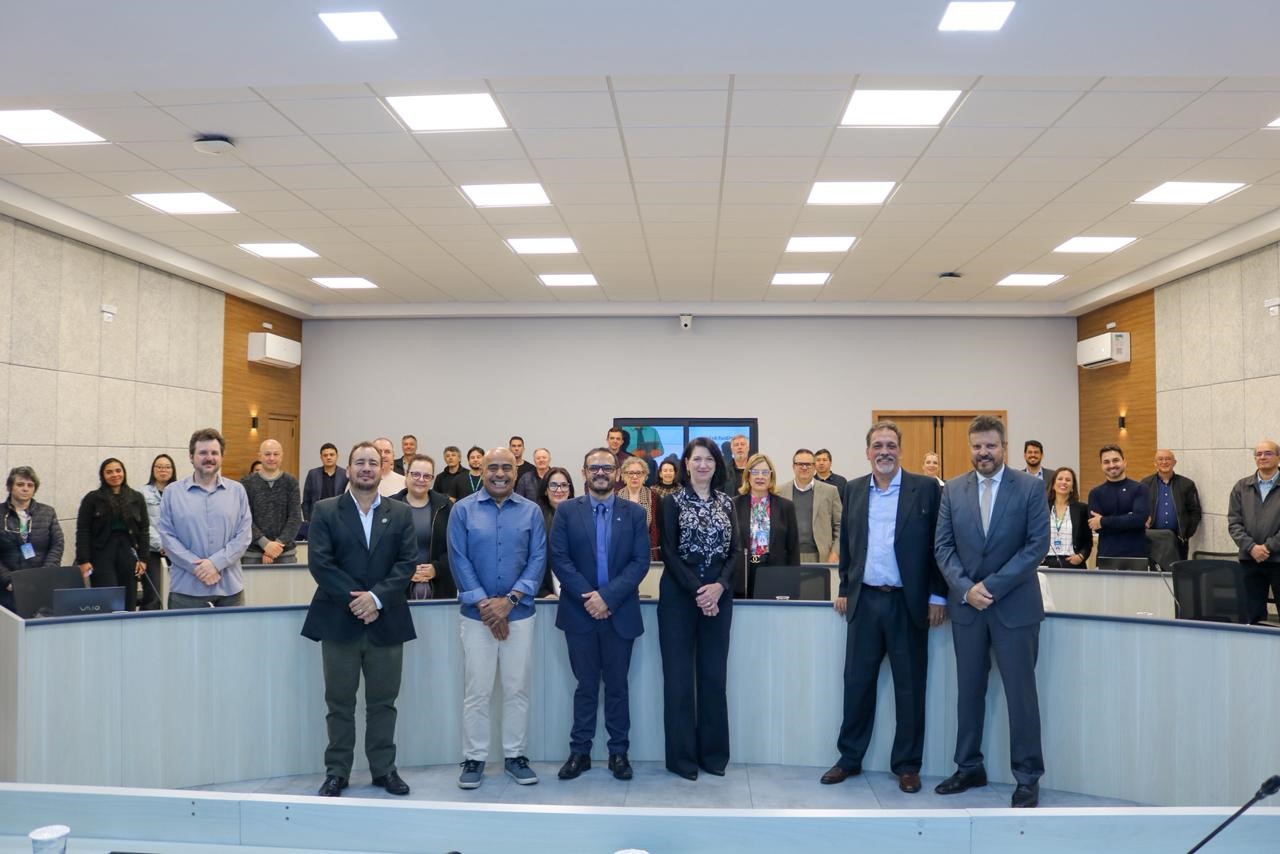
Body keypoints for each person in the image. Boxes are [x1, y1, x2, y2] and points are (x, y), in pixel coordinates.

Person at [822, 421, 945, 794]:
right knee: (857, 683)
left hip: (908, 603)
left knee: (910, 688)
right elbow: (848, 543)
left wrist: (938, 596)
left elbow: (939, 545)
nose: (884, 452)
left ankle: (907, 765)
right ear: (867, 452)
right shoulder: (855, 489)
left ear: (901, 451)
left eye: (891, 445)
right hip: (865, 601)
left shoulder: (926, 489)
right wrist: (845, 587)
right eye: (878, 445)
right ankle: (849, 758)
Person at [933, 415, 1049, 808]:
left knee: (1021, 696)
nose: (984, 452)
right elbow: (943, 547)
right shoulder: (953, 490)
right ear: (970, 448)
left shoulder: (1030, 488)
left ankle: (1028, 776)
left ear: (1004, 447)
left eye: (991, 446)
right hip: (968, 610)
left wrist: (991, 587)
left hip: (1014, 608)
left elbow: (1036, 547)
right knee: (968, 693)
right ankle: (969, 767)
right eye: (978, 446)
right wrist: (966, 590)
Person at [301, 441, 418, 798]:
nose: (366, 468)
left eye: (372, 462)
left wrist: (376, 598)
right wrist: (358, 601)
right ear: (349, 469)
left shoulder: (400, 513)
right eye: (360, 462)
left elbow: (406, 563)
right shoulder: (325, 510)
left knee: (383, 702)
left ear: (382, 469)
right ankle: (337, 771)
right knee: (339, 703)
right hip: (340, 620)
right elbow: (320, 563)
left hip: (387, 619)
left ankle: (384, 770)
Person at [448, 448, 547, 789]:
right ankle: (475, 758)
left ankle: (515, 755)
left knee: (517, 688)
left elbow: (538, 558)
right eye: (493, 467)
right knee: (477, 690)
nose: (500, 473)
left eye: (507, 467)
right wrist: (486, 606)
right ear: (482, 470)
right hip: (476, 617)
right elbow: (458, 559)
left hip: (519, 615)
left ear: (516, 472)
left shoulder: (532, 511)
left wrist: (510, 601)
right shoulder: (462, 510)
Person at [549, 448, 650, 782]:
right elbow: (560, 559)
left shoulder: (635, 514)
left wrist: (607, 598)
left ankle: (618, 753)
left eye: (607, 467)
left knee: (618, 687)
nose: (601, 472)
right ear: (584, 472)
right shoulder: (567, 511)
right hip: (580, 614)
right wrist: (590, 599)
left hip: (620, 614)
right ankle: (580, 752)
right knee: (586, 686)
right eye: (595, 468)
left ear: (617, 472)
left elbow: (640, 562)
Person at [657, 438, 741, 781]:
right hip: (679, 598)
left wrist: (718, 587)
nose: (703, 464)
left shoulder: (727, 502)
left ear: (716, 464)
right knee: (678, 681)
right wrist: (698, 591)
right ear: (687, 464)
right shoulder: (671, 501)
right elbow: (668, 551)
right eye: (697, 459)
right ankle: (682, 759)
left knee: (713, 678)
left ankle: (713, 755)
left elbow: (736, 552)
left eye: (709, 459)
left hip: (719, 597)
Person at [158, 428, 254, 609]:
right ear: (191, 456)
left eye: (214, 453)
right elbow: (167, 537)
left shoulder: (237, 491)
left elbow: (244, 536)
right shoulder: (172, 492)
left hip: (230, 591)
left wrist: (215, 564)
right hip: (186, 591)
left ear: (221, 457)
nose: (209, 458)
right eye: (203, 453)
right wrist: (198, 568)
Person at [75, 458, 149, 611]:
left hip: (128, 552)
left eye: (118, 471)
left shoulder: (136, 497)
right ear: (103, 475)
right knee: (106, 598)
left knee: (129, 598)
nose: (115, 475)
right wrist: (83, 560)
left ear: (124, 473)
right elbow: (83, 530)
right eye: (109, 472)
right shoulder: (92, 499)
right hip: (101, 553)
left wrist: (143, 558)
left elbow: (144, 530)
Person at [1227, 440, 1280, 624]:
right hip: (1249, 560)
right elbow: (1234, 522)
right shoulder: (1241, 487)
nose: (1262, 457)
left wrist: (1267, 547)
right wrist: (1251, 547)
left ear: (1278, 457)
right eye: (1258, 454)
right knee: (1252, 616)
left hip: (1278, 560)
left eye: (1268, 453)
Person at [732, 452, 798, 597]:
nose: (760, 477)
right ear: (748, 476)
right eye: (755, 472)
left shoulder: (786, 506)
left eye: (765, 472)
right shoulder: (734, 505)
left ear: (771, 476)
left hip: (775, 572)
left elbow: (793, 550)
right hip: (743, 574)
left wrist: (793, 585)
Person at [0, 466, 64, 613]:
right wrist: (7, 580)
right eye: (20, 484)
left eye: (30, 485)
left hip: (40, 584)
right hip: (7, 587)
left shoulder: (47, 512)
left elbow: (57, 544)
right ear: (10, 487)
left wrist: (44, 575)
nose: (25, 489)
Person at [391, 454, 454, 599]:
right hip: (397, 588)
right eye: (416, 474)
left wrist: (437, 568)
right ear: (406, 475)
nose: (421, 479)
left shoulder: (445, 506)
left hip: (439, 587)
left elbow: (455, 546)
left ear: (432, 480)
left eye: (427, 476)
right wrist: (406, 570)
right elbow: (383, 550)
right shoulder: (389, 506)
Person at [241, 439, 302, 565]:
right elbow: (244, 518)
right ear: (260, 456)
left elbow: (295, 518)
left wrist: (275, 546)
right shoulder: (246, 483)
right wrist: (265, 544)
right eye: (267, 454)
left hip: (285, 553)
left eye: (276, 454)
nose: (272, 458)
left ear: (282, 456)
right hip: (253, 553)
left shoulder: (291, 482)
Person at [777, 449, 841, 563]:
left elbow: (840, 526)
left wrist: (835, 553)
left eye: (808, 464)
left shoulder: (830, 491)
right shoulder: (780, 492)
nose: (804, 467)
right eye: (800, 464)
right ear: (793, 466)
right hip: (788, 557)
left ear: (814, 466)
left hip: (821, 557)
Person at [1140, 449, 1202, 565]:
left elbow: (1195, 512)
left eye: (1168, 459)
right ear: (1155, 463)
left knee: (1178, 571)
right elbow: (1139, 508)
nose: (1164, 462)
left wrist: (1185, 534)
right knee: (1154, 571)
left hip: (1178, 540)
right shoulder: (1145, 484)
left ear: (1174, 462)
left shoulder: (1187, 484)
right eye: (1160, 459)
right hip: (1153, 538)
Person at [1087, 445, 1149, 560]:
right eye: (1106, 462)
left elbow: (1139, 519)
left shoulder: (1140, 488)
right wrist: (1128, 519)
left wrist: (1103, 520)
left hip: (1136, 556)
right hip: (1106, 556)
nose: (1111, 465)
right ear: (1101, 465)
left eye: (1116, 460)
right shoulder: (1095, 493)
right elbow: (1095, 526)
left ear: (1124, 462)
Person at [138, 454, 177, 610]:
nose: (163, 470)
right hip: (152, 551)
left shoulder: (180, 493)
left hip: (176, 550)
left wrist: (172, 545)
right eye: (159, 467)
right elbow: (143, 523)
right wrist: (161, 544)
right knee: (154, 594)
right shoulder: (142, 493)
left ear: (172, 470)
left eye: (167, 467)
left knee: (176, 593)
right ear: (153, 470)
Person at [535, 467, 577, 598]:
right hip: (547, 592)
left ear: (570, 490)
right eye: (553, 485)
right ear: (545, 490)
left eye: (564, 485)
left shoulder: (581, 516)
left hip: (577, 589)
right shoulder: (536, 518)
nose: (559, 490)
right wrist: (543, 592)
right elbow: (533, 558)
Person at [1044, 467, 1092, 568]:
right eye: (1060, 479)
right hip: (1046, 562)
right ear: (1053, 485)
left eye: (1068, 480)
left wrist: (1081, 556)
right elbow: (1033, 535)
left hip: (1072, 563)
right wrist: (1036, 556)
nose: (1064, 482)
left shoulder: (1082, 509)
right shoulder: (1042, 507)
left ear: (1072, 487)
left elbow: (1088, 540)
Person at [617, 455, 661, 561]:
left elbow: (659, 529)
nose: (635, 476)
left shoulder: (654, 497)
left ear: (645, 476)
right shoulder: (615, 498)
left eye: (639, 473)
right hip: (620, 554)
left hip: (647, 553)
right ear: (624, 475)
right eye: (630, 473)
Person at [302, 443, 348, 526]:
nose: (328, 457)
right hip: (317, 518)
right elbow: (306, 500)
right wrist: (308, 520)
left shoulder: (345, 474)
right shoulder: (313, 474)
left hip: (338, 519)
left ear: (337, 456)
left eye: (331, 455)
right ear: (321, 457)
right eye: (325, 455)